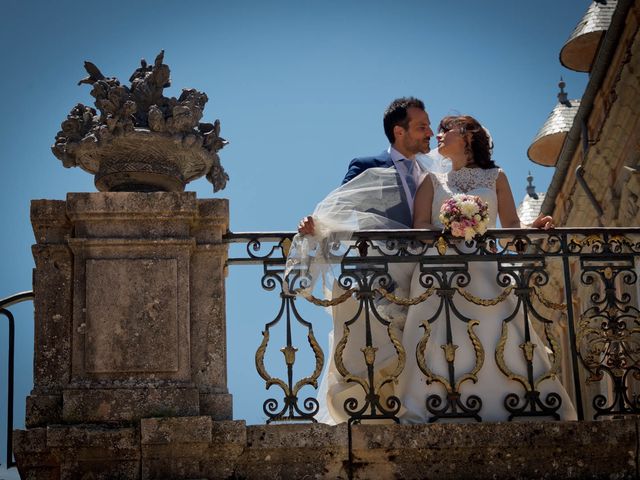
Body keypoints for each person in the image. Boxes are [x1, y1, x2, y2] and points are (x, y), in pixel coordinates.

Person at [397, 115, 577, 423]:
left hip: (485, 269)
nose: (438, 136)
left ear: (467, 135)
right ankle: (435, 406)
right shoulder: (431, 180)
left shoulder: (496, 177)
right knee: (438, 337)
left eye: (446, 131)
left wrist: (535, 226)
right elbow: (420, 227)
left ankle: (514, 404)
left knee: (497, 332)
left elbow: (510, 227)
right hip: (440, 271)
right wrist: (449, 229)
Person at [291, 97, 438, 424]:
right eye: (422, 126)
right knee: (376, 351)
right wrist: (316, 227)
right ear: (399, 132)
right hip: (379, 278)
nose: (430, 132)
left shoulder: (435, 171)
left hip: (428, 277)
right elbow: (340, 209)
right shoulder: (367, 164)